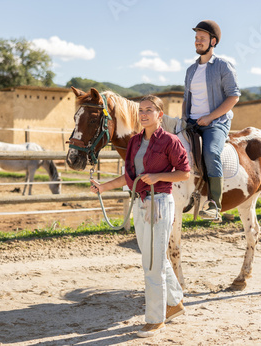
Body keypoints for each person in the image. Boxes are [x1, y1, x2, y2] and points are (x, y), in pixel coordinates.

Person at [90, 95, 190, 338]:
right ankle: (175, 302)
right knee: (153, 257)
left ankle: (155, 319)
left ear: (160, 114)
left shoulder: (170, 141)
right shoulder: (134, 142)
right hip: (139, 204)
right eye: (141, 110)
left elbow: (184, 173)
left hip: (159, 204)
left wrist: (159, 177)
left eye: (150, 110)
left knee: (152, 264)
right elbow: (129, 177)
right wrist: (104, 187)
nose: (144, 114)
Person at [183, 20, 241, 220]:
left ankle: (214, 204)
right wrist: (184, 121)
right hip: (191, 122)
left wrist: (209, 118)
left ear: (213, 41)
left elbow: (233, 96)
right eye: (196, 38)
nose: (197, 41)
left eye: (202, 38)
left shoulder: (223, 66)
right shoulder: (190, 70)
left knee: (210, 152)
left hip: (216, 123)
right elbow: (186, 100)